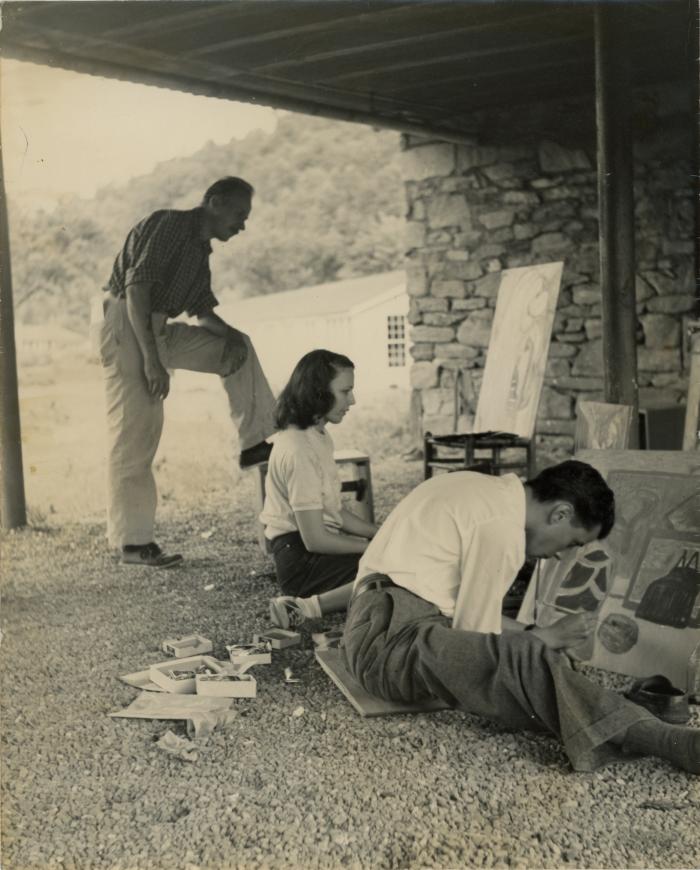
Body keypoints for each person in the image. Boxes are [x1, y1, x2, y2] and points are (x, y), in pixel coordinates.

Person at [341, 461, 699, 774]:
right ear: (559, 513)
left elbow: (462, 620)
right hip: (388, 647)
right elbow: (479, 639)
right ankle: (659, 738)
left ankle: (616, 711)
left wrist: (535, 631)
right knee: (524, 658)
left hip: (381, 627)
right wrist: (541, 641)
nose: (560, 556)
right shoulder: (502, 527)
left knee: (529, 656)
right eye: (572, 543)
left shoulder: (481, 491)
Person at [93, 177, 276, 567]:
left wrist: (233, 337)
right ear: (215, 202)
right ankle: (132, 544)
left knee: (239, 347)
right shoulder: (170, 225)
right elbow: (137, 290)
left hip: (157, 329)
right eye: (239, 215)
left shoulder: (199, 250)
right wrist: (151, 360)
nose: (242, 225)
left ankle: (254, 442)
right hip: (128, 324)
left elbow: (202, 311)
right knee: (137, 430)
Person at [259, 350, 379, 626]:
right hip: (301, 561)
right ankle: (307, 607)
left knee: (393, 558)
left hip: (313, 551)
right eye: (345, 391)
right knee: (389, 569)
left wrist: (379, 533)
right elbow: (316, 539)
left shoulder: (318, 436)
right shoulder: (299, 449)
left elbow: (333, 510)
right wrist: (370, 548)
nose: (352, 400)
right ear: (318, 393)